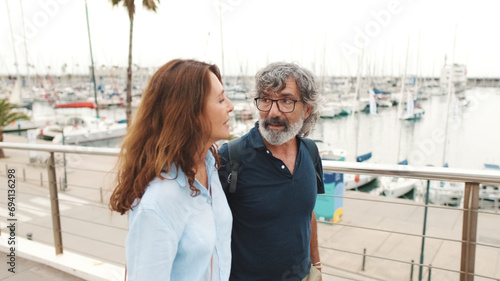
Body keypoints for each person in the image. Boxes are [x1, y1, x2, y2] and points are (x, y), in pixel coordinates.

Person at [109, 59, 234, 281]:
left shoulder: (209, 166)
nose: (231, 106)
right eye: (221, 99)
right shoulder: (159, 201)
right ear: (191, 113)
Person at [218, 62, 324, 281]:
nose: (273, 112)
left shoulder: (311, 152)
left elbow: (307, 215)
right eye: (266, 99)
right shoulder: (232, 157)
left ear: (307, 109)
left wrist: (316, 266)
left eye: (286, 100)